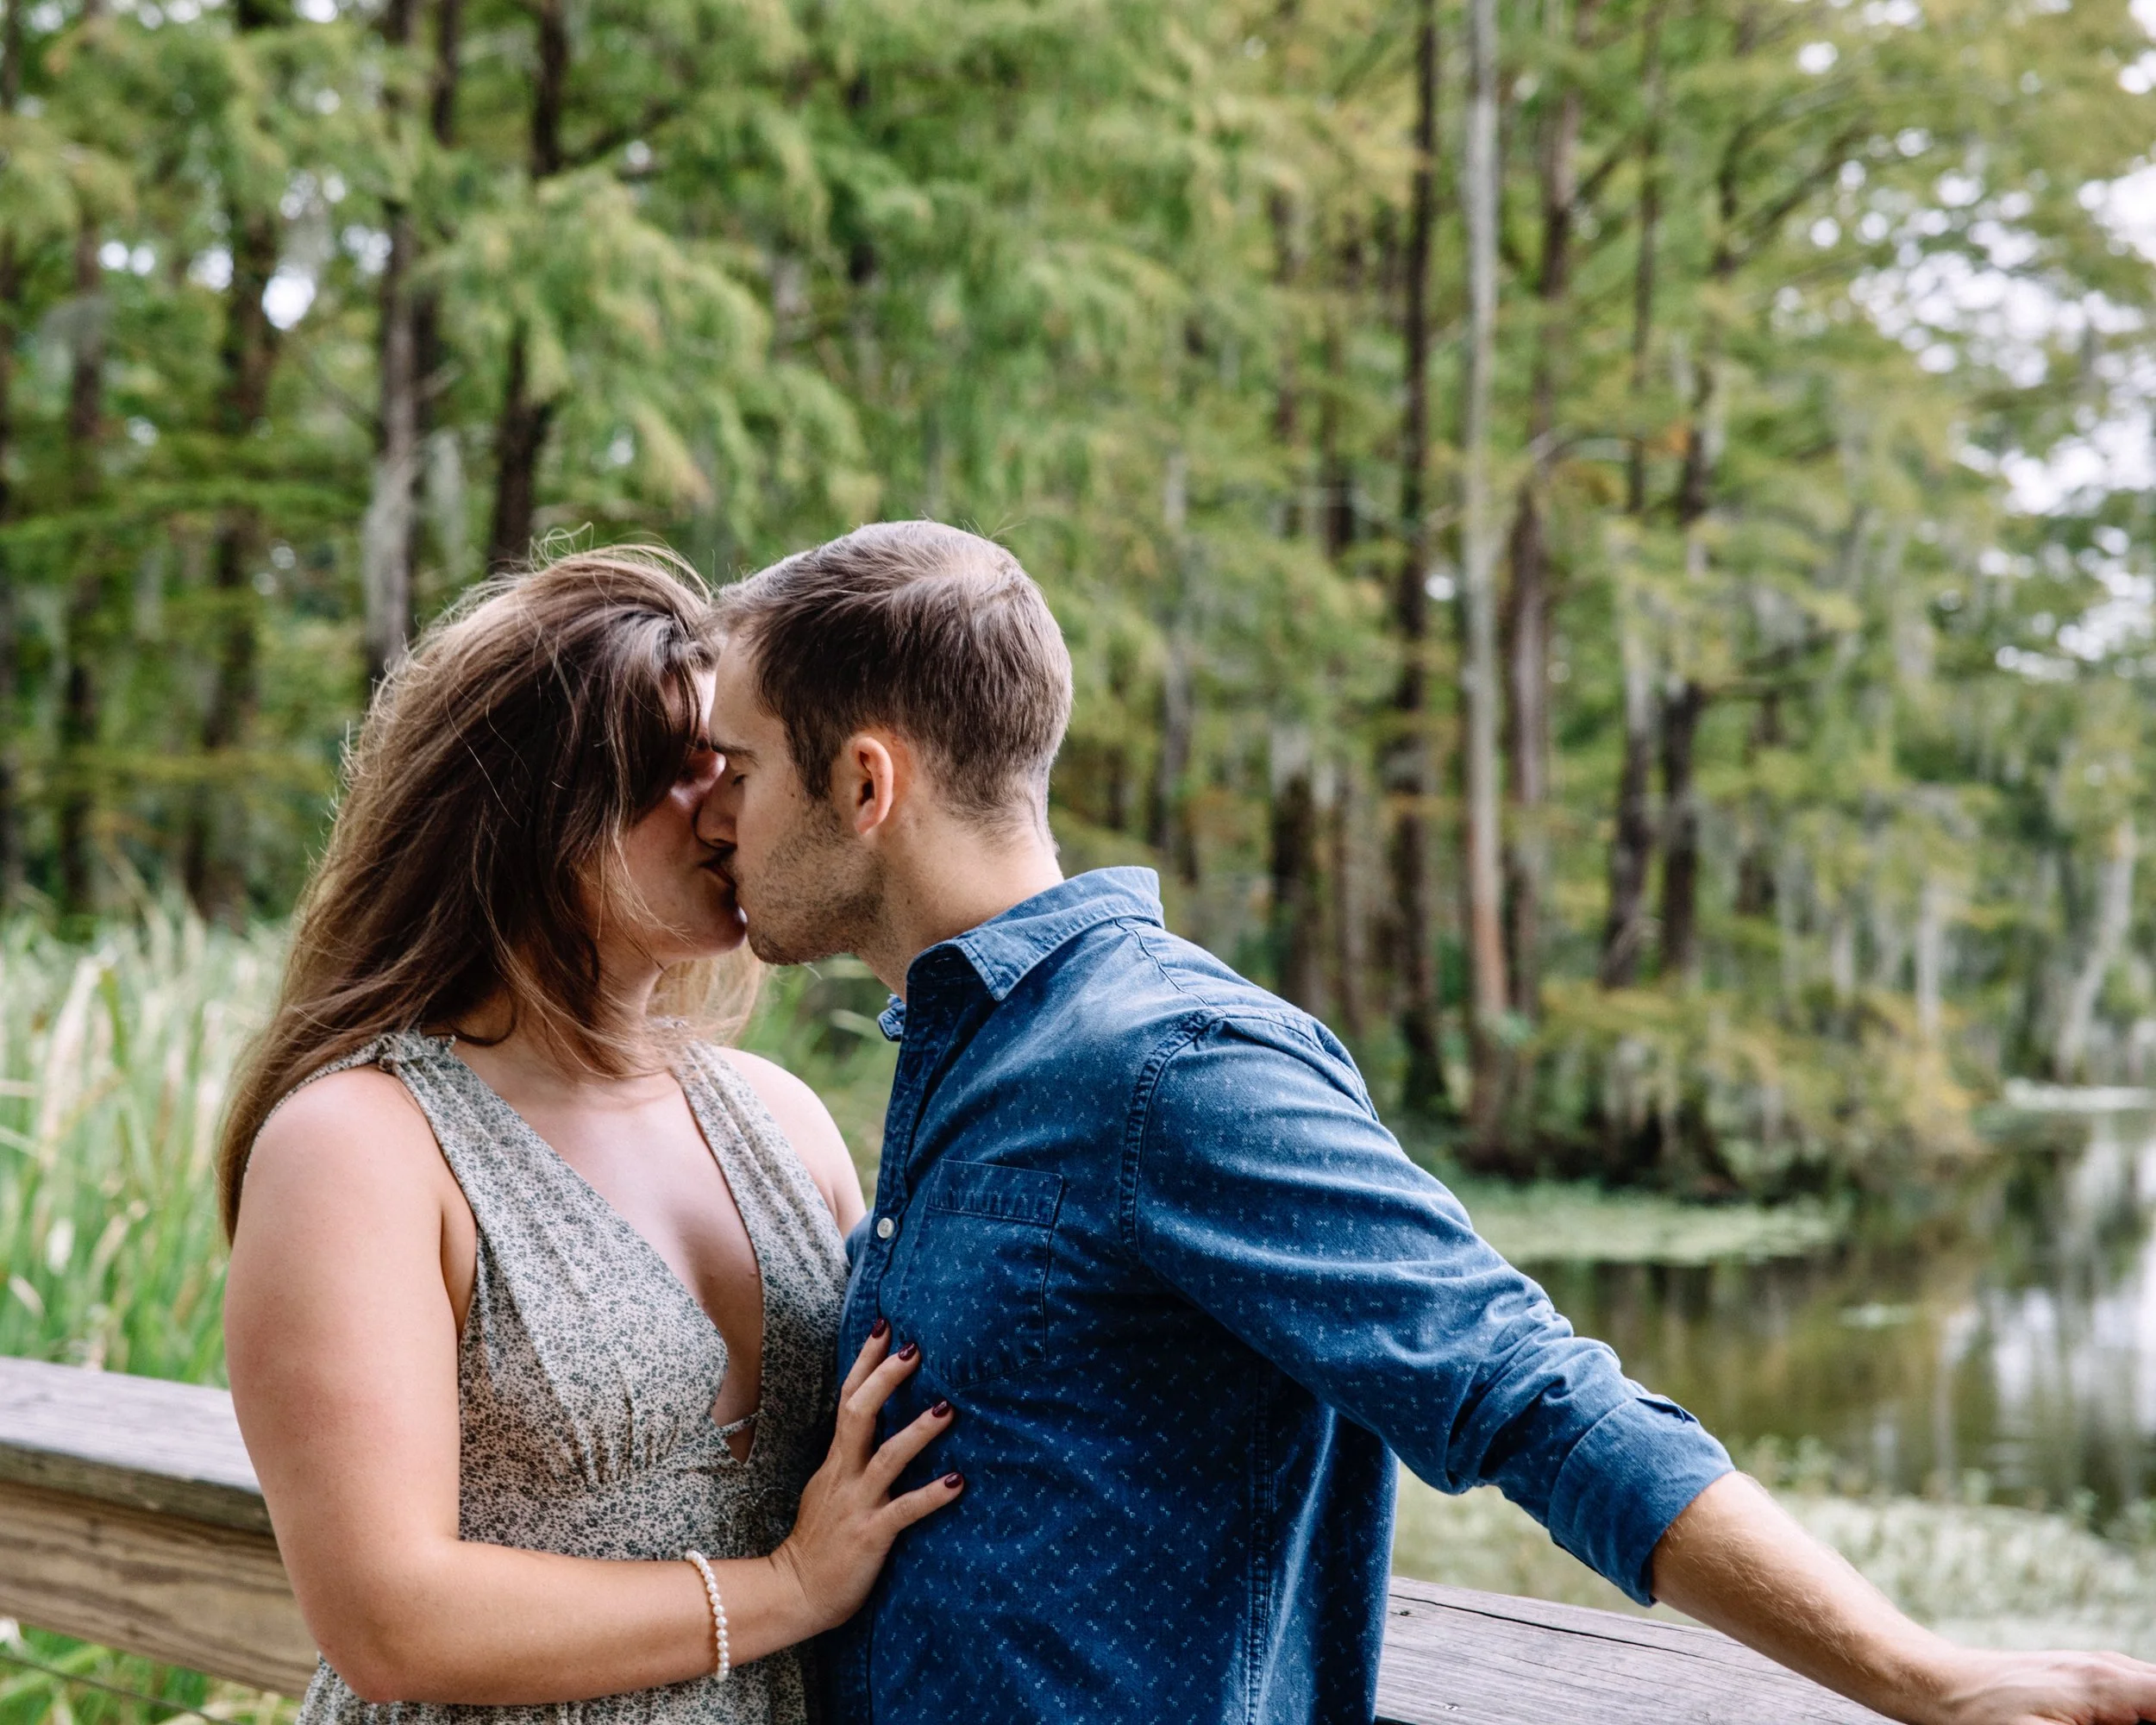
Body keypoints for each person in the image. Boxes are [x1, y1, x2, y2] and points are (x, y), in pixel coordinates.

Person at [699, 519, 2156, 1725]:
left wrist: (1923, 1675)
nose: (713, 815)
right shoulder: (970, 1052)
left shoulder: (1168, 1065)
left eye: (742, 769)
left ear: (867, 782)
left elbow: (1527, 1391)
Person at [219, 549, 962, 1725]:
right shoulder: (360, 1147)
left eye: (738, 767)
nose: (731, 812)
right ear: (537, 802)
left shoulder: (784, 1123)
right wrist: (784, 1589)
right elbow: (388, 1621)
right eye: (683, 772)